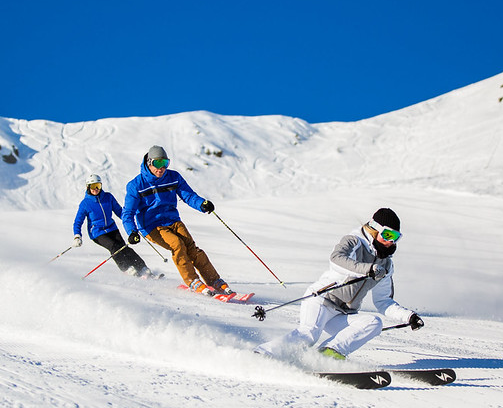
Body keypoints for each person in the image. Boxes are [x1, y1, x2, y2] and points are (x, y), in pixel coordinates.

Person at [254, 207, 424, 359]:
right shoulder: (354, 241)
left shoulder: (386, 265)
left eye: (396, 237)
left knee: (373, 323)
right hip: (322, 300)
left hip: (343, 313)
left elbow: (383, 301)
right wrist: (367, 269)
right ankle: (263, 355)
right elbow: (336, 259)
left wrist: (408, 316)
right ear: (375, 229)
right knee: (309, 334)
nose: (391, 241)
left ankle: (327, 355)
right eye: (388, 235)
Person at [121, 145, 232, 296]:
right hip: (151, 226)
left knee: (192, 248)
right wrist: (132, 231)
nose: (161, 168)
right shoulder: (136, 185)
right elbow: (128, 213)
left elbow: (188, 195)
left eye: (165, 163)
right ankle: (192, 280)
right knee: (177, 245)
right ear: (149, 163)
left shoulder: (173, 177)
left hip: (172, 220)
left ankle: (214, 280)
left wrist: (202, 204)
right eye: (158, 163)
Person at [72, 174, 156, 278]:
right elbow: (78, 221)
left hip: (112, 228)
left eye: (98, 185)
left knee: (124, 247)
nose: (96, 189)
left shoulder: (108, 197)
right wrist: (77, 236)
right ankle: (127, 269)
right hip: (97, 233)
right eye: (93, 186)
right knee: (114, 246)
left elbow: (119, 211)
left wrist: (130, 223)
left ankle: (142, 268)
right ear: (88, 187)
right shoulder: (85, 203)